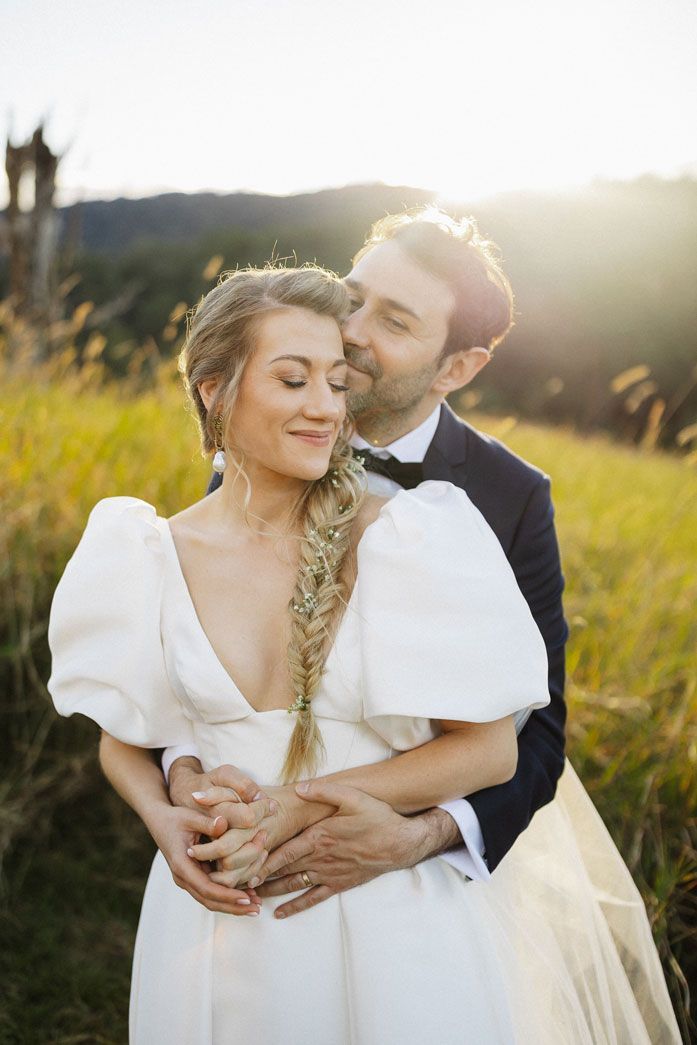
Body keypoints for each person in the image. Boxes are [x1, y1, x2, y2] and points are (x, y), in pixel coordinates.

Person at [48, 257, 679, 1041]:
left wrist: (299, 810)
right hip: (218, 913)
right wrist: (165, 811)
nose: (323, 405)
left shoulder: (415, 534)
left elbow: (499, 750)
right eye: (293, 379)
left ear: (457, 365)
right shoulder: (143, 549)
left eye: (334, 383)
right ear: (213, 390)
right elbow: (131, 733)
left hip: (386, 906)